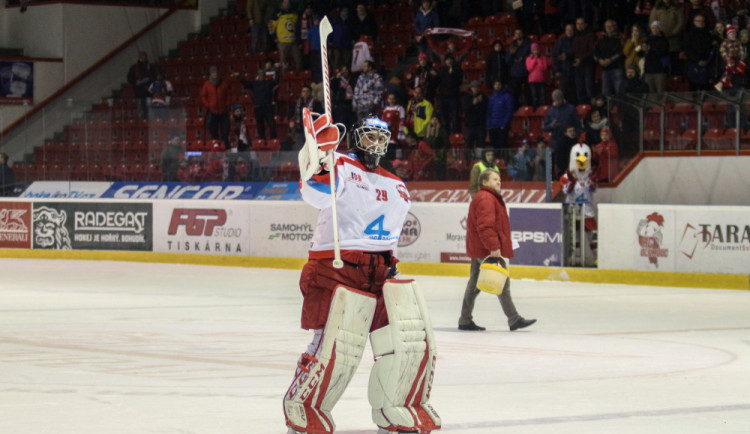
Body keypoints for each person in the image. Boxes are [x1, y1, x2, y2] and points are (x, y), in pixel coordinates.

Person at [284, 114, 441, 434]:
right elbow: (312, 193)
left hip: (381, 273)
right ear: (356, 138)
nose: (376, 144)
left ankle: (396, 411)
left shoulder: (396, 184)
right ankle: (306, 413)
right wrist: (316, 152)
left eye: (382, 138)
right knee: (334, 348)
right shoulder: (338, 163)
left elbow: (392, 234)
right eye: (370, 136)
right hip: (336, 269)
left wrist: (391, 267)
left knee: (408, 342)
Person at [458, 168, 537, 332]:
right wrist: (493, 247)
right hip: (486, 249)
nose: (499, 181)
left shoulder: (487, 197)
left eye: (499, 179)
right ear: (485, 182)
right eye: (495, 179)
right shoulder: (486, 198)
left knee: (474, 285)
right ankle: (514, 319)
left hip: (480, 248)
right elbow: (485, 227)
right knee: (502, 281)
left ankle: (465, 319)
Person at [236, 67, 279, 140]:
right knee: (260, 126)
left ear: (264, 75)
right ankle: (262, 140)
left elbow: (277, 81)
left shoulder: (269, 82)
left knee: (272, 124)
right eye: (260, 74)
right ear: (258, 75)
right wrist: (239, 77)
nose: (261, 76)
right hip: (258, 107)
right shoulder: (255, 83)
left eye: (262, 74)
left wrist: (277, 71)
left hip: (268, 107)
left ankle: (273, 140)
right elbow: (246, 83)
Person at [200, 66, 231, 148]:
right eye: (213, 72)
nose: (215, 74)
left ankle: (226, 148)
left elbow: (228, 95)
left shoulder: (224, 84)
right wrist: (208, 105)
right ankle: (215, 148)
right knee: (213, 132)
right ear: (211, 74)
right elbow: (203, 96)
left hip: (223, 111)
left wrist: (227, 105)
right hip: (212, 112)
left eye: (216, 72)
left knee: (225, 131)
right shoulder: (207, 84)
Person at [594, 20, 625, 97]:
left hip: (617, 68)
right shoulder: (601, 39)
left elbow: (621, 52)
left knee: (619, 92)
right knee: (606, 93)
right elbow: (594, 52)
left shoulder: (619, 38)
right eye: (607, 26)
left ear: (615, 27)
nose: (609, 28)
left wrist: (611, 60)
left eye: (611, 26)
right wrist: (599, 60)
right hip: (605, 70)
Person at [269, 0, 301, 71]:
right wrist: (274, 37)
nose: (287, 4)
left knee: (298, 59)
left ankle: (298, 75)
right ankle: (283, 77)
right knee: (283, 61)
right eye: (285, 2)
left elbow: (298, 27)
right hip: (282, 41)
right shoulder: (277, 13)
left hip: (293, 41)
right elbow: (271, 26)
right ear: (282, 3)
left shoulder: (294, 13)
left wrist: (298, 40)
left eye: (288, 2)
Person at [572, 17, 596, 105]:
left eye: (581, 23)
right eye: (577, 24)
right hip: (577, 66)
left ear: (585, 25)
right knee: (580, 89)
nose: (579, 26)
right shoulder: (574, 36)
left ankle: (592, 110)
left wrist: (581, 60)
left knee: (589, 88)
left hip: (587, 65)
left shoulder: (590, 35)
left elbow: (591, 51)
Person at [437, 55, 463, 133]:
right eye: (447, 60)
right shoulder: (442, 70)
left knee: (455, 117)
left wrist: (452, 74)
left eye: (450, 59)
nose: (449, 61)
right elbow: (439, 81)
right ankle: (446, 134)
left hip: (454, 97)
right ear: (445, 61)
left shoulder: (457, 70)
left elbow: (459, 82)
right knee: (444, 118)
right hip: (444, 97)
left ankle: (456, 134)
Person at [506, 28, 531, 108]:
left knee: (528, 94)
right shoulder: (512, 45)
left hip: (525, 72)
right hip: (515, 73)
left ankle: (529, 108)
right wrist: (512, 54)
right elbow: (508, 60)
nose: (518, 35)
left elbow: (531, 56)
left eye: (520, 33)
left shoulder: (528, 44)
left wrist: (522, 59)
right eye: (516, 33)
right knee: (515, 94)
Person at [486, 80, 513, 152]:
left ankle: (503, 162)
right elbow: (489, 112)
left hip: (502, 127)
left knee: (503, 146)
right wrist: (489, 124)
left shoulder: (507, 96)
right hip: (493, 127)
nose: (497, 86)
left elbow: (509, 111)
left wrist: (504, 124)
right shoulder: (491, 98)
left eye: (499, 84)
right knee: (494, 147)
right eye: (495, 84)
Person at [643, 21, 670, 93]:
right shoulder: (647, 39)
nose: (654, 29)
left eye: (656, 28)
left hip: (659, 70)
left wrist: (651, 49)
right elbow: (641, 54)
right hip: (648, 70)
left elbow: (663, 52)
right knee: (650, 92)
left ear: (660, 29)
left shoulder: (664, 40)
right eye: (653, 28)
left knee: (660, 91)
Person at [552, 23, 576, 104]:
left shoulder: (577, 40)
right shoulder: (561, 42)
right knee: (564, 92)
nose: (569, 31)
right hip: (564, 71)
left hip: (576, 70)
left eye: (571, 29)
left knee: (575, 92)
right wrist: (557, 70)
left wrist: (568, 56)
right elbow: (556, 56)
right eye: (567, 30)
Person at [127, 51, 156, 119]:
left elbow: (154, 77)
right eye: (141, 57)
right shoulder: (134, 68)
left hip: (149, 92)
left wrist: (149, 79)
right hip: (139, 92)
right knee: (141, 110)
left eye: (144, 57)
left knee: (149, 110)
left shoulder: (151, 67)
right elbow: (129, 78)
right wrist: (136, 82)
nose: (143, 58)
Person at [463, 80, 488, 150]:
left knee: (480, 145)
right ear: (471, 88)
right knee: (468, 145)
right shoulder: (467, 98)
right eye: (473, 87)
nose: (475, 89)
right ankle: (469, 160)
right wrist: (473, 104)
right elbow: (464, 109)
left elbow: (486, 109)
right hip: (470, 125)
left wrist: (481, 102)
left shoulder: (484, 97)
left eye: (476, 87)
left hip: (480, 126)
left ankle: (479, 159)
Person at [525, 42, 548, 108]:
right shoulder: (528, 59)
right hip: (532, 81)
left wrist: (538, 60)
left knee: (542, 97)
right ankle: (536, 110)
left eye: (536, 49)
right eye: (534, 50)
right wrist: (534, 60)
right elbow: (529, 68)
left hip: (541, 80)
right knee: (534, 97)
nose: (535, 51)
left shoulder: (543, 58)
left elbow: (544, 68)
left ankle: (543, 109)